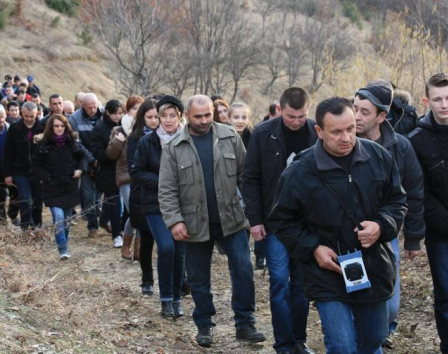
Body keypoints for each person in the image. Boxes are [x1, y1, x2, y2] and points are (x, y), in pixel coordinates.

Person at [267, 97, 407, 353]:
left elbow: (397, 200)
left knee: (374, 339)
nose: (346, 137)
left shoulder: (378, 156)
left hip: (373, 265)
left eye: (351, 128)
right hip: (327, 272)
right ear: (319, 132)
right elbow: (281, 220)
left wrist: (381, 225)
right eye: (337, 132)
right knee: (342, 345)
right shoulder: (299, 172)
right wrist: (313, 248)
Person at [159, 94, 266, 347]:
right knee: (198, 277)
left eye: (208, 114)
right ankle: (204, 325)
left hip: (232, 219)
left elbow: (247, 178)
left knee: (243, 270)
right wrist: (174, 221)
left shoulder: (230, 137)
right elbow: (166, 189)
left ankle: (245, 323)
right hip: (194, 223)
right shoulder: (174, 146)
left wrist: (254, 215)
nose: (205, 120)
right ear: (187, 115)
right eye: (199, 116)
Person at [243, 87, 317, 354]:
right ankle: (284, 344)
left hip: (308, 223)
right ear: (279, 109)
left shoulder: (316, 131)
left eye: (301, 116)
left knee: (302, 285)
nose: (296, 122)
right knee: (279, 283)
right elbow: (250, 178)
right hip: (274, 221)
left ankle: (299, 339)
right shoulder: (264, 133)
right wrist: (255, 220)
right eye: (290, 116)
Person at [353, 85, 425, 348]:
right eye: (355, 109)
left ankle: (382, 330)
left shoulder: (401, 146)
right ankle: (363, 338)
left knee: (390, 303)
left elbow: (414, 192)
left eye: (364, 111)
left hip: (385, 232)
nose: (357, 116)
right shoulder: (341, 141)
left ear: (381, 116)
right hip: (346, 232)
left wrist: (414, 237)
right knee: (355, 291)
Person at [132, 95, 186, 318]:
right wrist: (163, 181)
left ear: (180, 117)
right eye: (164, 116)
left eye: (173, 116)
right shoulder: (148, 142)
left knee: (180, 252)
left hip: (183, 204)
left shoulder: (187, 139)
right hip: (154, 204)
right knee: (166, 247)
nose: (167, 120)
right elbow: (137, 172)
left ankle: (176, 298)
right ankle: (165, 299)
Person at [408, 72, 448, 353]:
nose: (444, 104)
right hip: (441, 231)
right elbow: (420, 192)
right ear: (427, 101)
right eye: (438, 99)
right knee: (446, 294)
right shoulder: (417, 140)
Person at [32, 114, 93, 259]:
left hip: (69, 186)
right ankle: (63, 249)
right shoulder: (43, 144)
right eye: (56, 126)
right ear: (50, 127)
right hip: (52, 187)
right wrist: (46, 177)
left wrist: (80, 170)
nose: (59, 129)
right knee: (58, 218)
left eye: (62, 126)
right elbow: (35, 165)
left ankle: (64, 241)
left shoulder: (72, 142)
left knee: (66, 220)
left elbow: (83, 157)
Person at [127, 99, 159, 294]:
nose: (154, 121)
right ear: (142, 118)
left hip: (167, 197)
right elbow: (134, 170)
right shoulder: (135, 138)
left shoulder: (169, 136)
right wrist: (161, 180)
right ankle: (147, 279)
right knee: (146, 240)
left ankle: (179, 279)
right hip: (142, 195)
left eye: (157, 117)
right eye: (150, 117)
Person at [107, 95, 144, 260]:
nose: (137, 112)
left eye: (140, 108)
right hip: (126, 178)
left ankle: (138, 249)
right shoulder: (119, 130)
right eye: (134, 108)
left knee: (142, 212)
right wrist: (118, 141)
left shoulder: (146, 129)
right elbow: (111, 154)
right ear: (128, 111)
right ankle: (127, 245)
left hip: (143, 177)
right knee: (135, 212)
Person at [69, 92, 105, 237]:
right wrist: (91, 160)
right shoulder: (74, 119)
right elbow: (78, 145)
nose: (92, 110)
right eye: (89, 107)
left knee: (103, 195)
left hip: (103, 160)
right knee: (88, 195)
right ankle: (92, 226)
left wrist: (101, 158)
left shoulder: (104, 115)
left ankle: (106, 220)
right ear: (82, 106)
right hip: (84, 161)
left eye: (94, 107)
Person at [4, 102, 44, 230]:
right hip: (20, 171)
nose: (29, 119)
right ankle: (26, 228)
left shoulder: (42, 127)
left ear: (36, 114)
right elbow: (8, 152)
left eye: (31, 116)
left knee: (37, 203)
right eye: (26, 116)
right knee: (25, 200)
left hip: (38, 171)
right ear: (22, 113)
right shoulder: (14, 128)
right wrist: (8, 174)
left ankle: (37, 227)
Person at [91, 100, 124, 248]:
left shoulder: (127, 126)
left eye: (121, 113)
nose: (118, 116)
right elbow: (99, 154)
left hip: (124, 170)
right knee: (115, 203)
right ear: (108, 113)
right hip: (108, 172)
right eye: (115, 113)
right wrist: (114, 148)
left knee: (123, 203)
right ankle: (117, 234)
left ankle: (105, 220)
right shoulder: (99, 129)